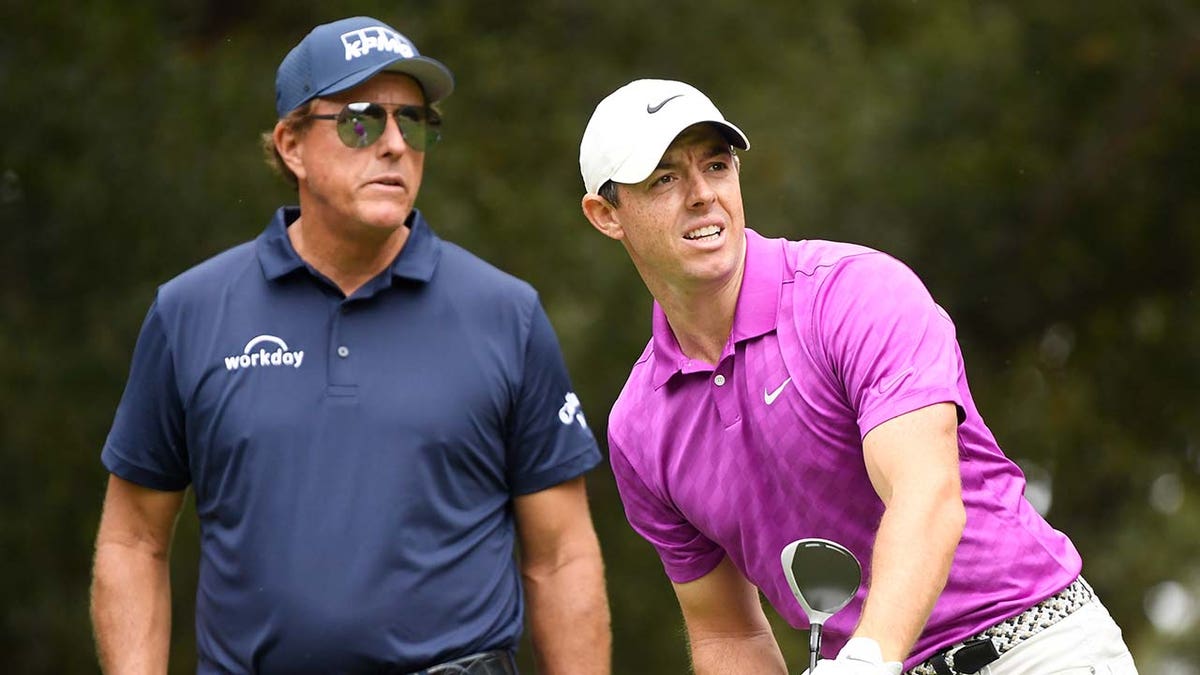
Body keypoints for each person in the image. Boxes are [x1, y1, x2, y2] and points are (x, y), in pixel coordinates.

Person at [90, 16, 611, 674]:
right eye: (362, 120)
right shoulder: (190, 312)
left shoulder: (506, 313)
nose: (395, 144)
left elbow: (561, 556)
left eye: (415, 122)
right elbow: (133, 540)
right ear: (291, 145)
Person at [578, 78, 1137, 675]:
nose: (701, 195)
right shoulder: (639, 427)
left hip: (1033, 647)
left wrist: (869, 659)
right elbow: (727, 633)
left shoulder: (852, 293)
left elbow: (926, 495)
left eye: (716, 166)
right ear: (607, 214)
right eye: (664, 178)